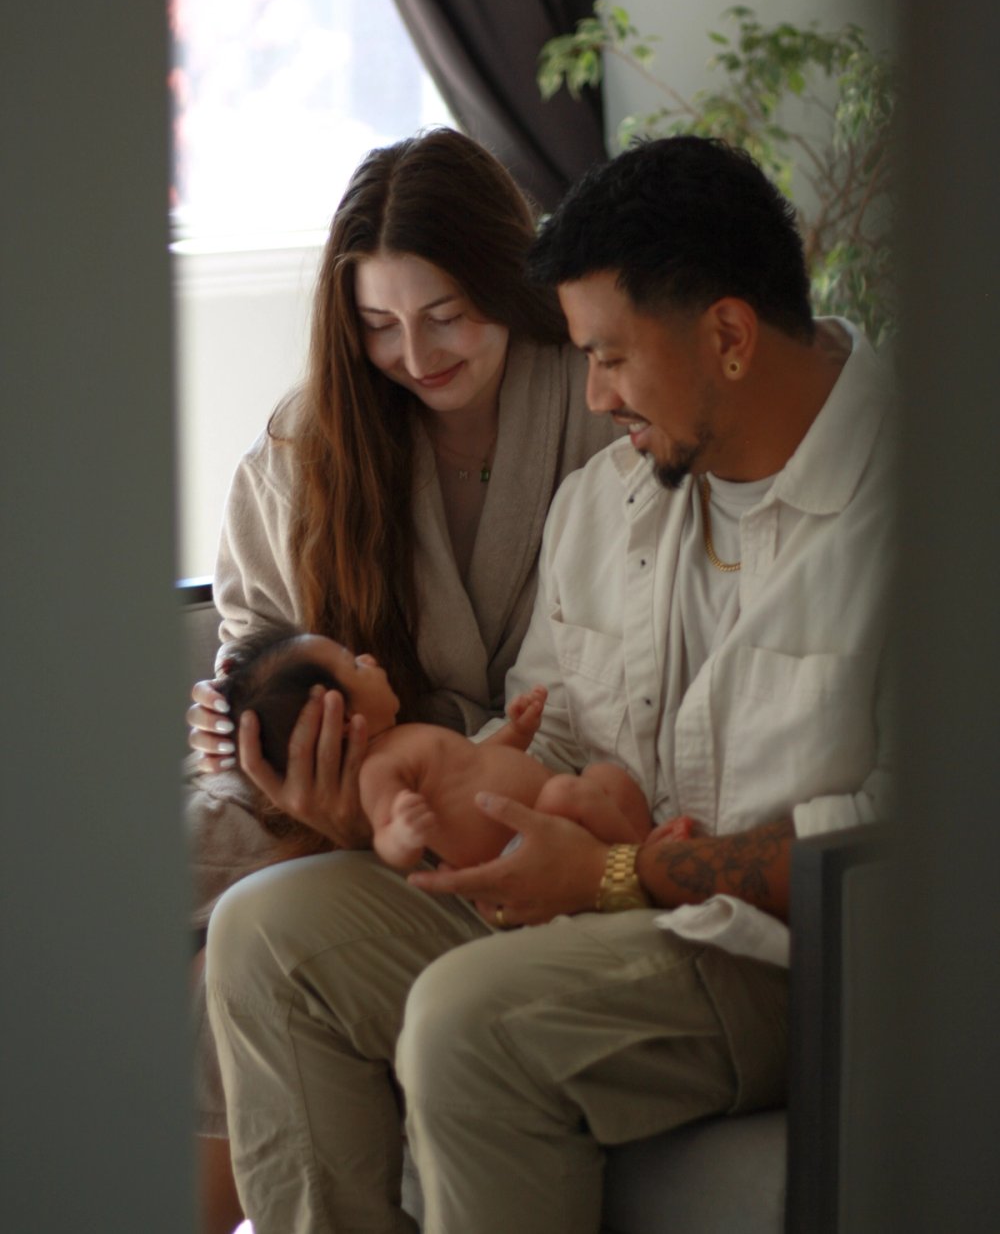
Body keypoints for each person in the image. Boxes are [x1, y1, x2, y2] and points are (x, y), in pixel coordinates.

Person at [205, 135, 893, 1234]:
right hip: (602, 905)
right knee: (263, 936)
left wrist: (619, 870)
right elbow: (554, 738)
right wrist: (412, 809)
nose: (594, 395)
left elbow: (898, 858)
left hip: (776, 957)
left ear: (726, 335)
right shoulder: (611, 502)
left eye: (612, 358)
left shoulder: (920, 512)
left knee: (465, 1020)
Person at [185, 128, 614, 1234]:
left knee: (245, 926)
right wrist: (253, 740)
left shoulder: (596, 398)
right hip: (334, 777)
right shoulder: (312, 442)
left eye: (444, 315)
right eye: (377, 325)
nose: (413, 355)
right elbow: (260, 640)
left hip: (479, 785)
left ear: (505, 282)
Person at [194, 629, 687, 876]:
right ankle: (644, 865)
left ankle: (639, 847)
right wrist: (402, 834)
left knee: (607, 778)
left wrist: (516, 732)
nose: (367, 658)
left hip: (544, 811)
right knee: (567, 791)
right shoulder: (380, 770)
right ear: (341, 718)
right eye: (351, 664)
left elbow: (479, 763)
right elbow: (385, 835)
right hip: (513, 850)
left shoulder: (409, 737)